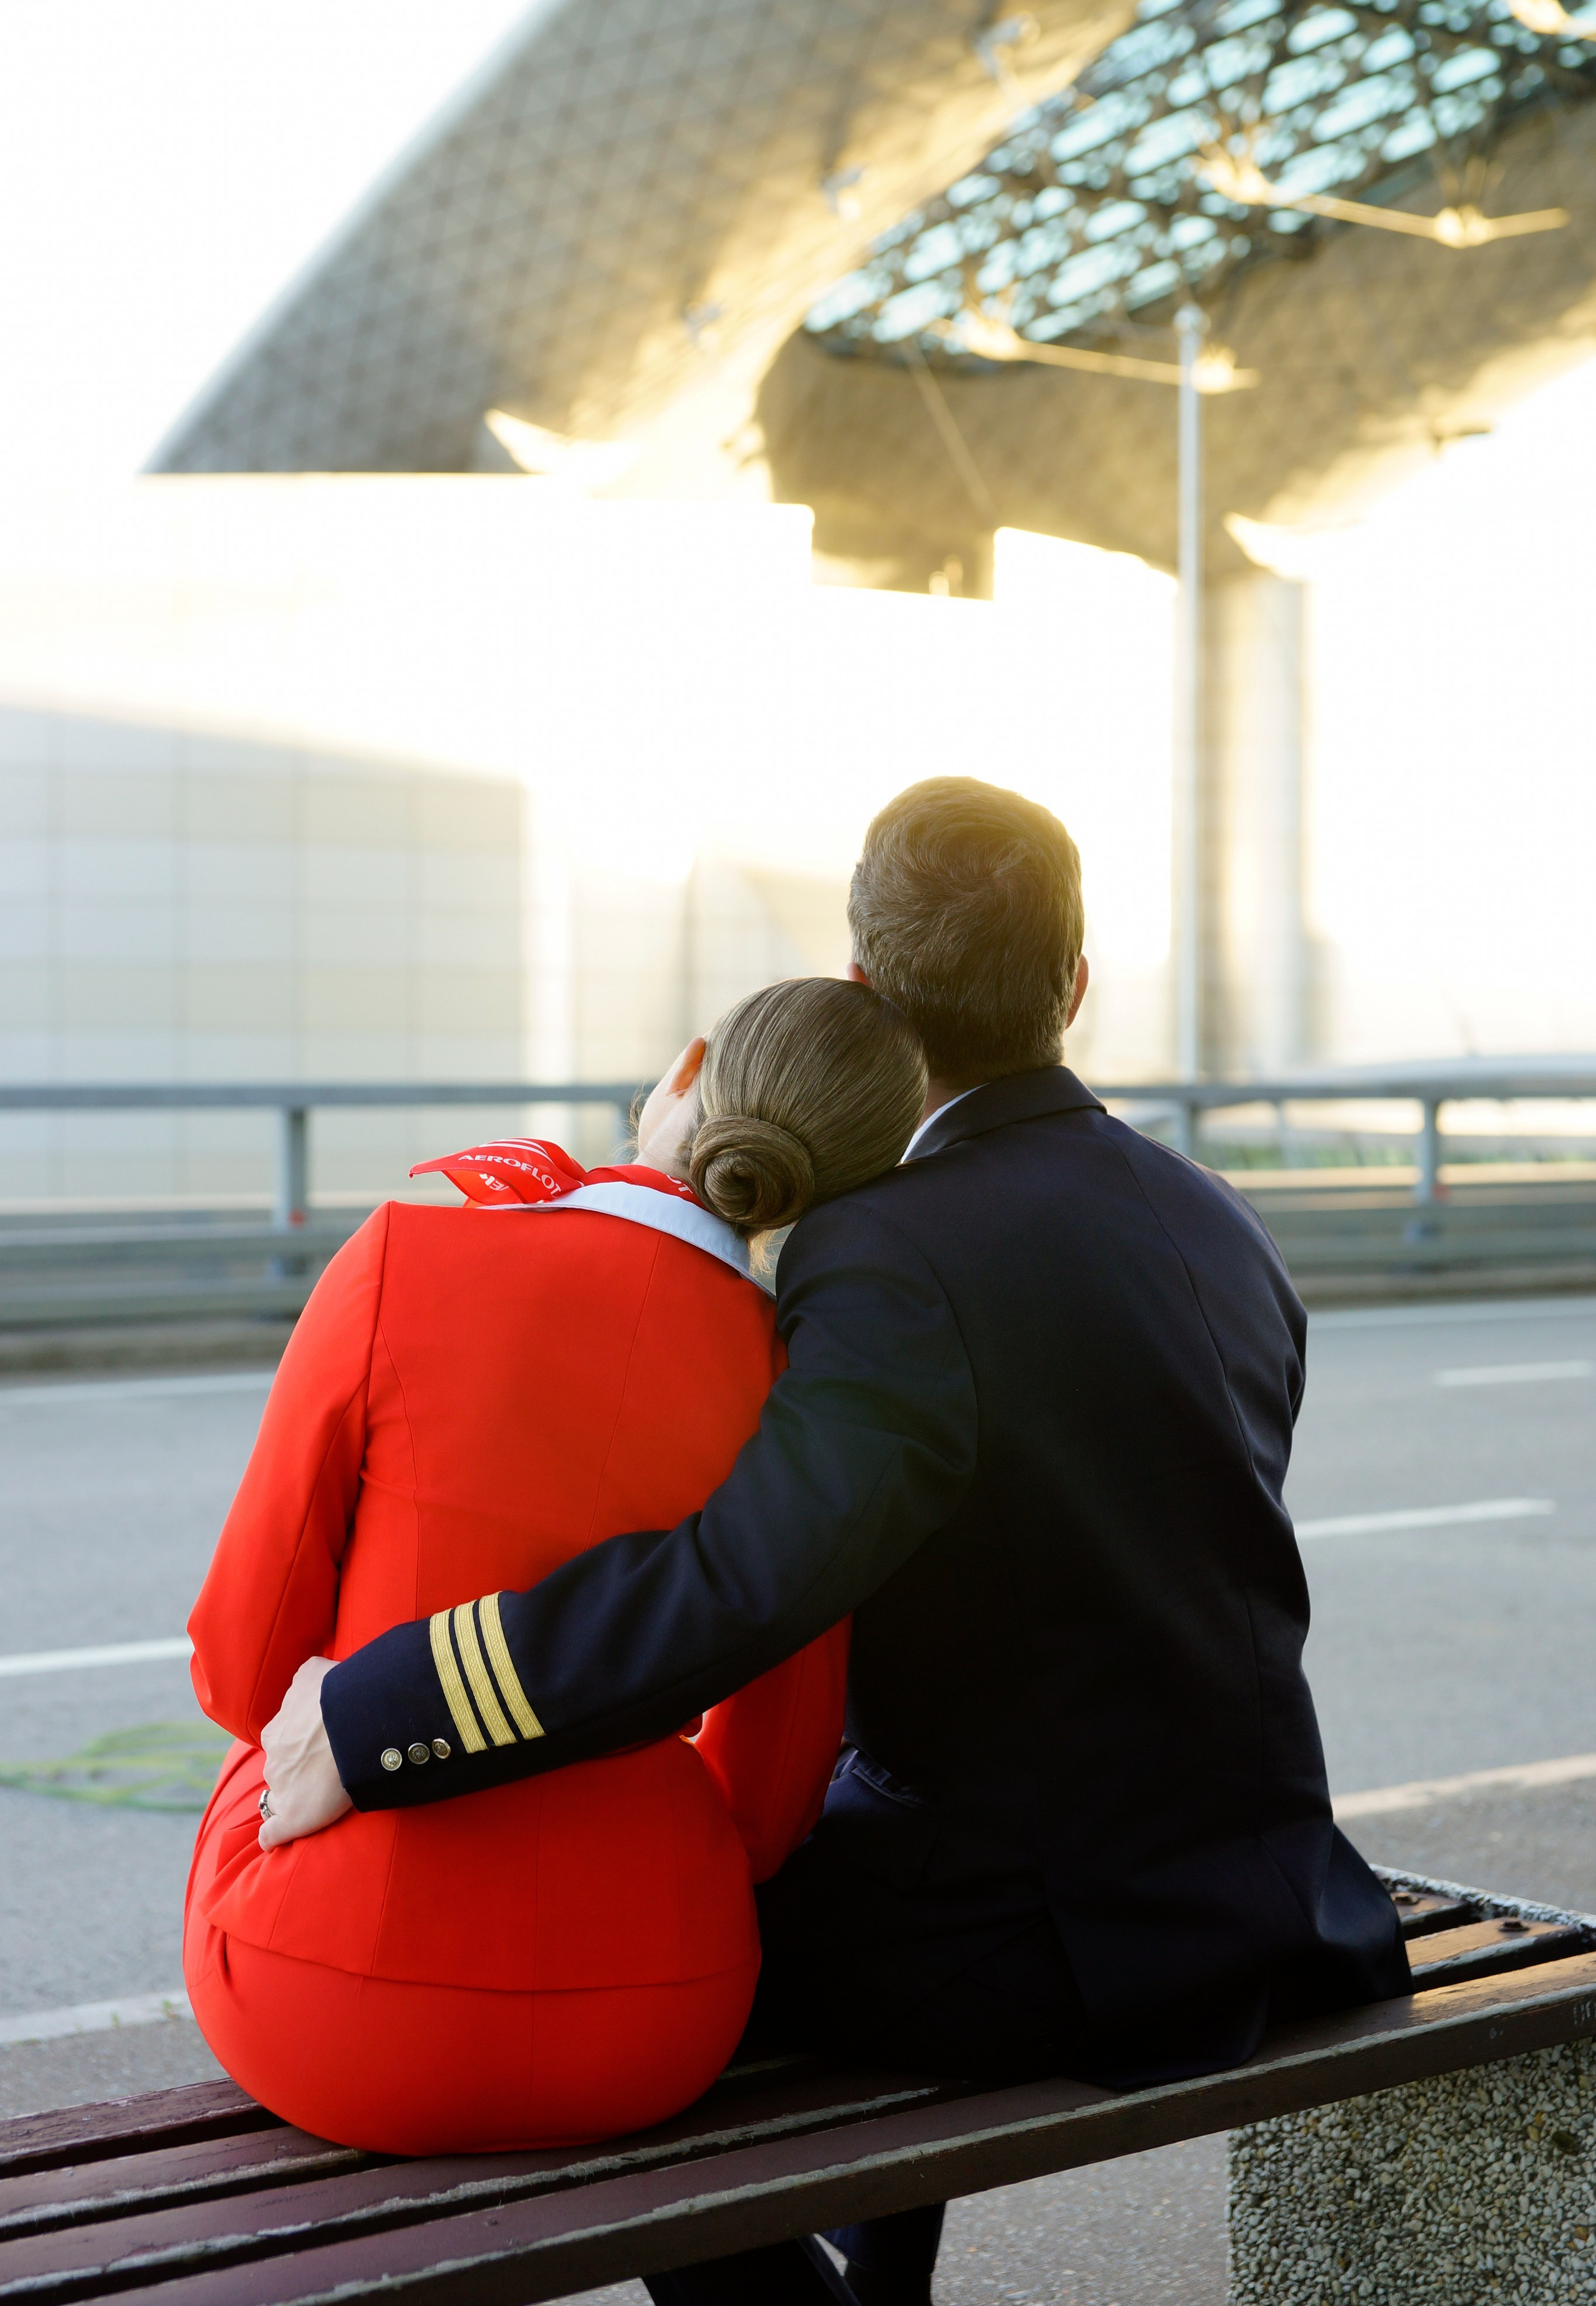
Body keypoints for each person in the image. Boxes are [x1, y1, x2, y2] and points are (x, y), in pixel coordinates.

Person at [258, 776, 1408, 2300]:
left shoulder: (889, 1246)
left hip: (1041, 1942)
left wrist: (384, 1707)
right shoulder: (1215, 1222)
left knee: (619, 2001)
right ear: (1074, 986)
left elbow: (749, 1577)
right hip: (1272, 1898)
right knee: (838, 1851)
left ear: (864, 986)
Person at [183, 976, 926, 2154]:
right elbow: (772, 1799)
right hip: (654, 2017)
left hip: (329, 2005)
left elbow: (239, 1666)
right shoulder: (801, 1389)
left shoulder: (406, 1252)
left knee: (266, 1736)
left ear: (681, 1073)